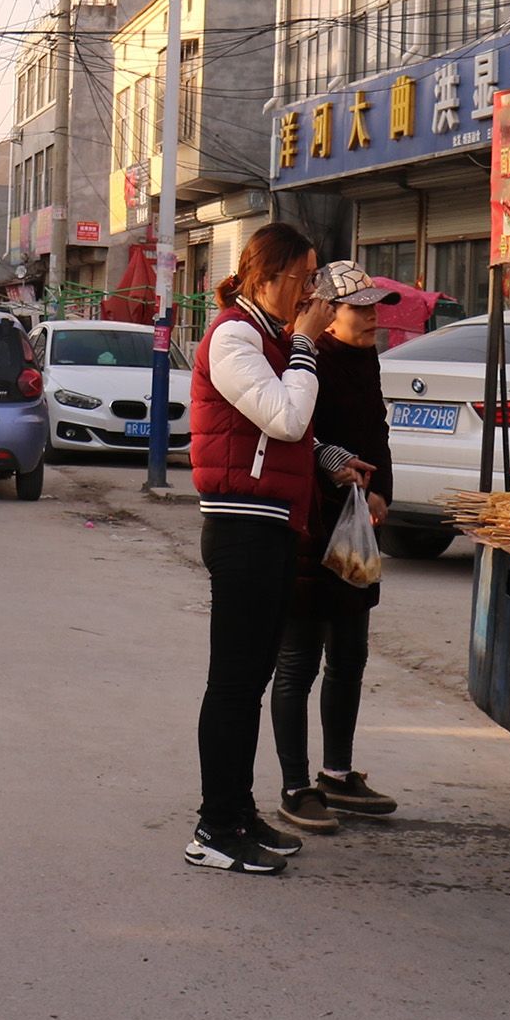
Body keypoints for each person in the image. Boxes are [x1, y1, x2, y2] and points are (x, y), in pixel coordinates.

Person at [182, 223, 372, 876]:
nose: (315, 290)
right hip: (240, 531)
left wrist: (329, 458)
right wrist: (309, 348)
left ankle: (238, 812)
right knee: (234, 684)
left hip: (271, 525)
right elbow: (284, 415)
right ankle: (214, 826)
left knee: (253, 681)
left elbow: (284, 431)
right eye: (306, 276)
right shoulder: (236, 335)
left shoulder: (270, 338)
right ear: (268, 276)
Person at [273, 260, 403, 833]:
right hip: (309, 524)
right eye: (360, 308)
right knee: (298, 663)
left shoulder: (364, 360)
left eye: (376, 307)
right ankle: (296, 787)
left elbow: (377, 432)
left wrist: (383, 494)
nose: (373, 318)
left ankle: (337, 773)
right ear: (328, 314)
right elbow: (292, 427)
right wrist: (334, 466)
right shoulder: (308, 357)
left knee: (350, 655)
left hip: (357, 525)